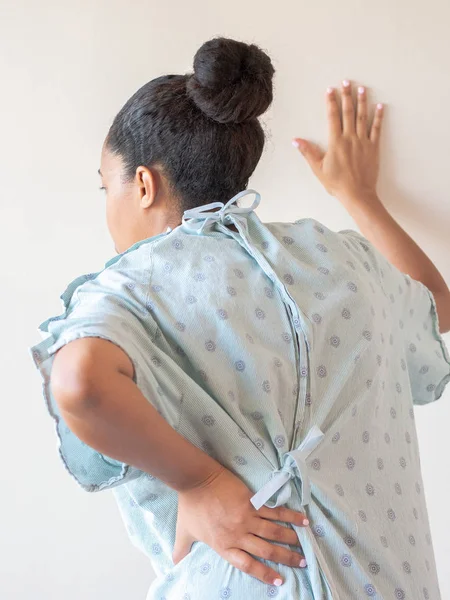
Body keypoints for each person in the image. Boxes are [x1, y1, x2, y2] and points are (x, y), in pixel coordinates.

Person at [29, 36, 450, 600]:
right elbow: (432, 304)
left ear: (145, 185)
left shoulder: (135, 287)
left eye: (108, 186)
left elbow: (80, 383)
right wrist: (361, 198)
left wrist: (200, 482)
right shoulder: (339, 259)